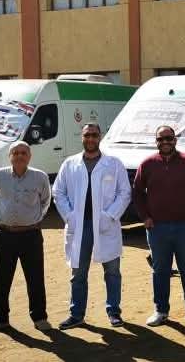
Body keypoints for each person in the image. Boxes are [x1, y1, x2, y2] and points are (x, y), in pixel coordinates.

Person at [52, 123, 131, 329]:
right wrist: (69, 216)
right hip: (79, 227)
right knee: (78, 274)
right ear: (82, 137)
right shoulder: (70, 164)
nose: (90, 139)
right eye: (87, 135)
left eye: (94, 135)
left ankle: (114, 312)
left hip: (105, 226)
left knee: (112, 272)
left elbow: (124, 193)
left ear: (100, 137)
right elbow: (58, 192)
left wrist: (110, 215)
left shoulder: (113, 164)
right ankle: (76, 314)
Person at [133, 126, 185, 330]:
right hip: (157, 228)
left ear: (175, 140)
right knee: (160, 271)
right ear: (156, 141)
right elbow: (137, 192)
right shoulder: (147, 164)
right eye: (161, 139)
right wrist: (145, 217)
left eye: (169, 138)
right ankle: (161, 311)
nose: (165, 141)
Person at [0, 141, 52, 334]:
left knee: (35, 279)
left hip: (31, 236)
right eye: (16, 153)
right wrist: (5, 218)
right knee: (1, 280)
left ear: (29, 156)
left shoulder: (40, 177)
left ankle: (40, 318)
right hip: (5, 235)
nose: (19, 156)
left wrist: (33, 219)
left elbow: (46, 201)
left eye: (23, 153)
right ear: (10, 156)